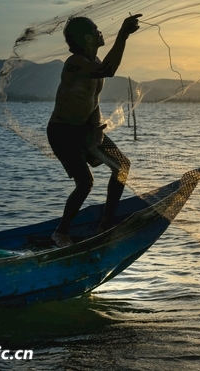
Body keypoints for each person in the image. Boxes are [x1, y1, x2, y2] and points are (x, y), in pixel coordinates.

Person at [46, 13, 141, 248]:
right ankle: (60, 232)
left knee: (122, 166)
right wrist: (122, 35)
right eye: (97, 30)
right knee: (85, 182)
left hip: (86, 130)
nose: (101, 33)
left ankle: (105, 224)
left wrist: (97, 129)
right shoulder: (75, 63)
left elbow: (92, 101)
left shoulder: (94, 64)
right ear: (88, 38)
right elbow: (109, 70)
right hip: (63, 133)